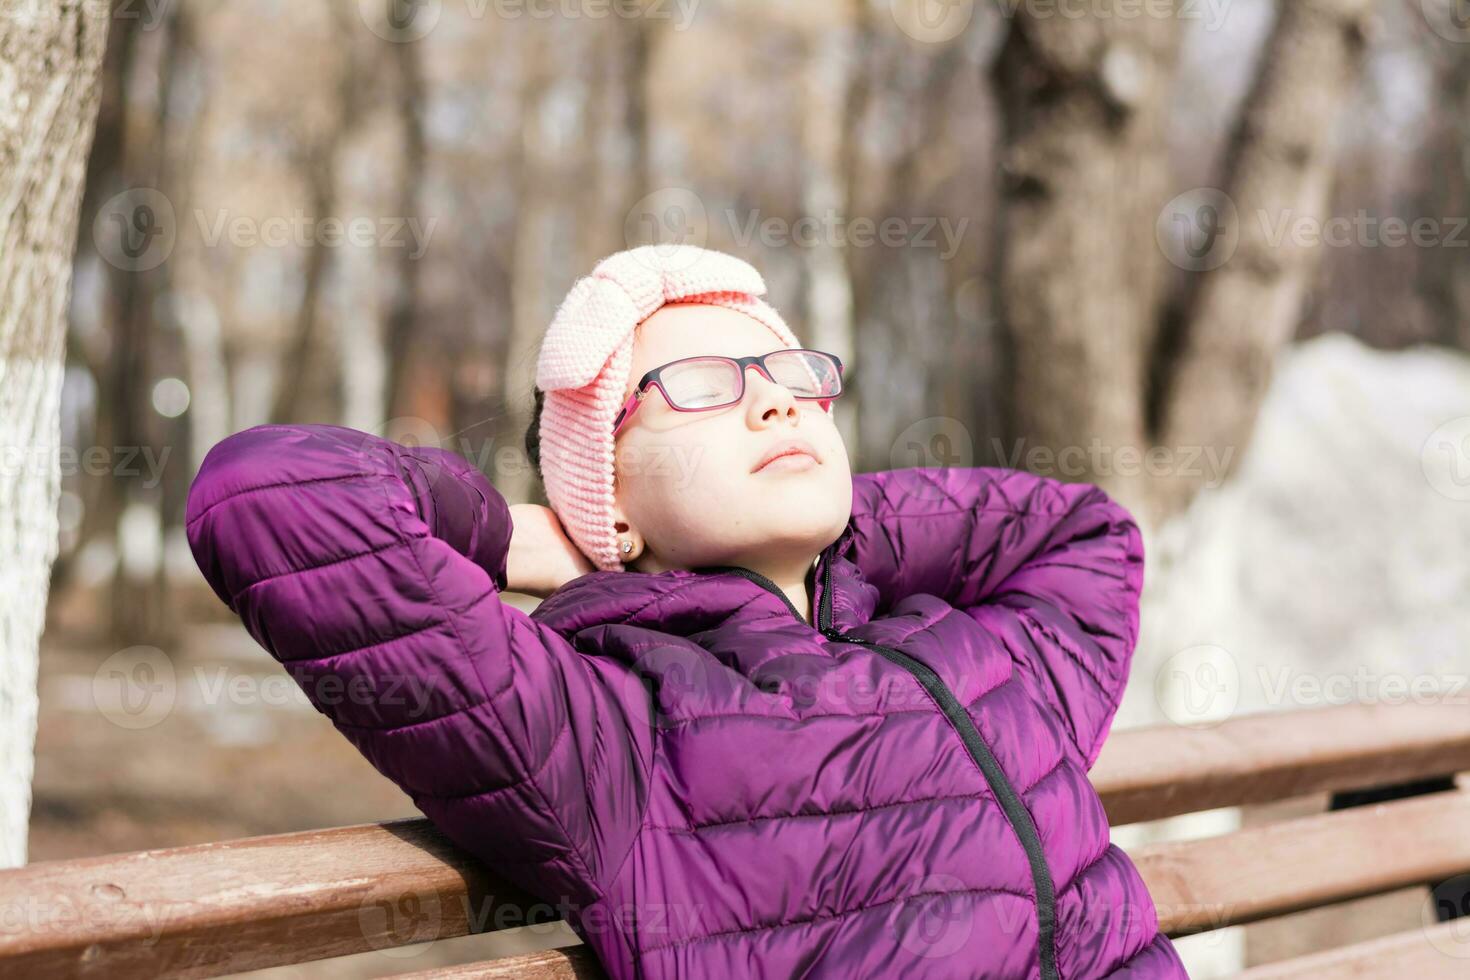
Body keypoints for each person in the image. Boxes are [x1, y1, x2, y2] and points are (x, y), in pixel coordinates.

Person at [185, 245, 1188, 978]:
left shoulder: (971, 646)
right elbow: (264, 495)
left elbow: (1084, 532)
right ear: (608, 488)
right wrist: (526, 537)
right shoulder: (603, 725)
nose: (777, 403)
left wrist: (840, 525)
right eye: (702, 384)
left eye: (794, 377)